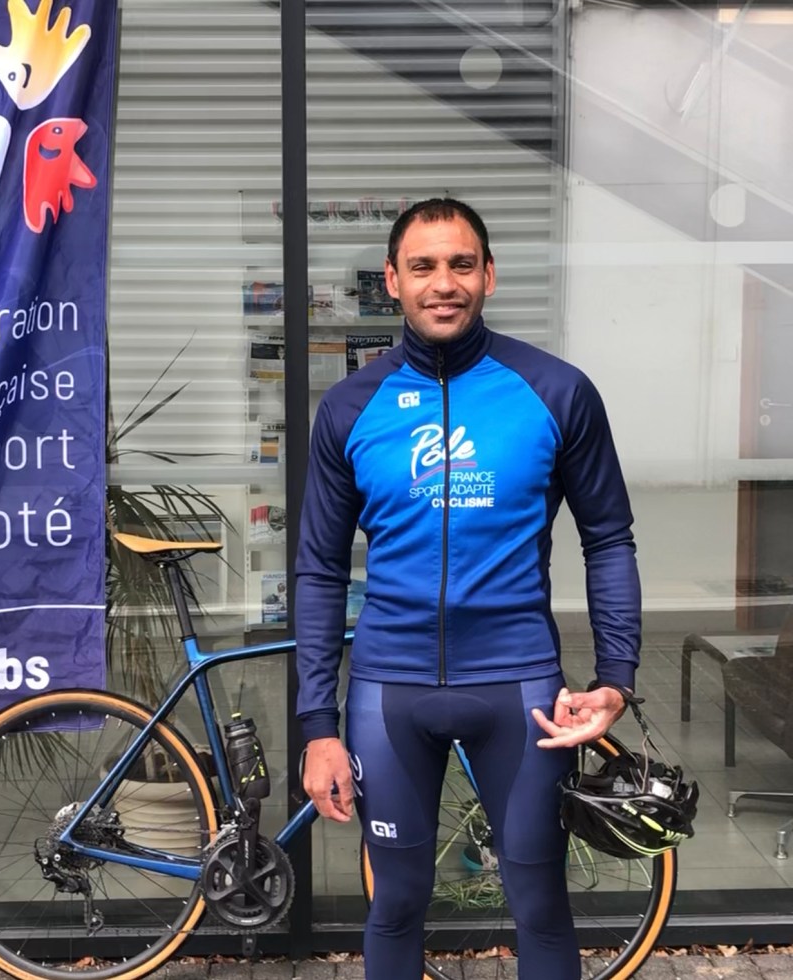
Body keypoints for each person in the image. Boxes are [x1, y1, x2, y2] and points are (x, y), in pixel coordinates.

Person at [294, 198, 640, 980]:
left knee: (540, 903)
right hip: (390, 691)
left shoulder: (555, 391)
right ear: (392, 281)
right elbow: (318, 568)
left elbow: (609, 539)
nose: (442, 283)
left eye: (460, 264)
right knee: (395, 902)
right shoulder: (350, 407)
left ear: (488, 275)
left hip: (519, 687)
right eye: (422, 266)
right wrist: (318, 726)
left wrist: (616, 676)